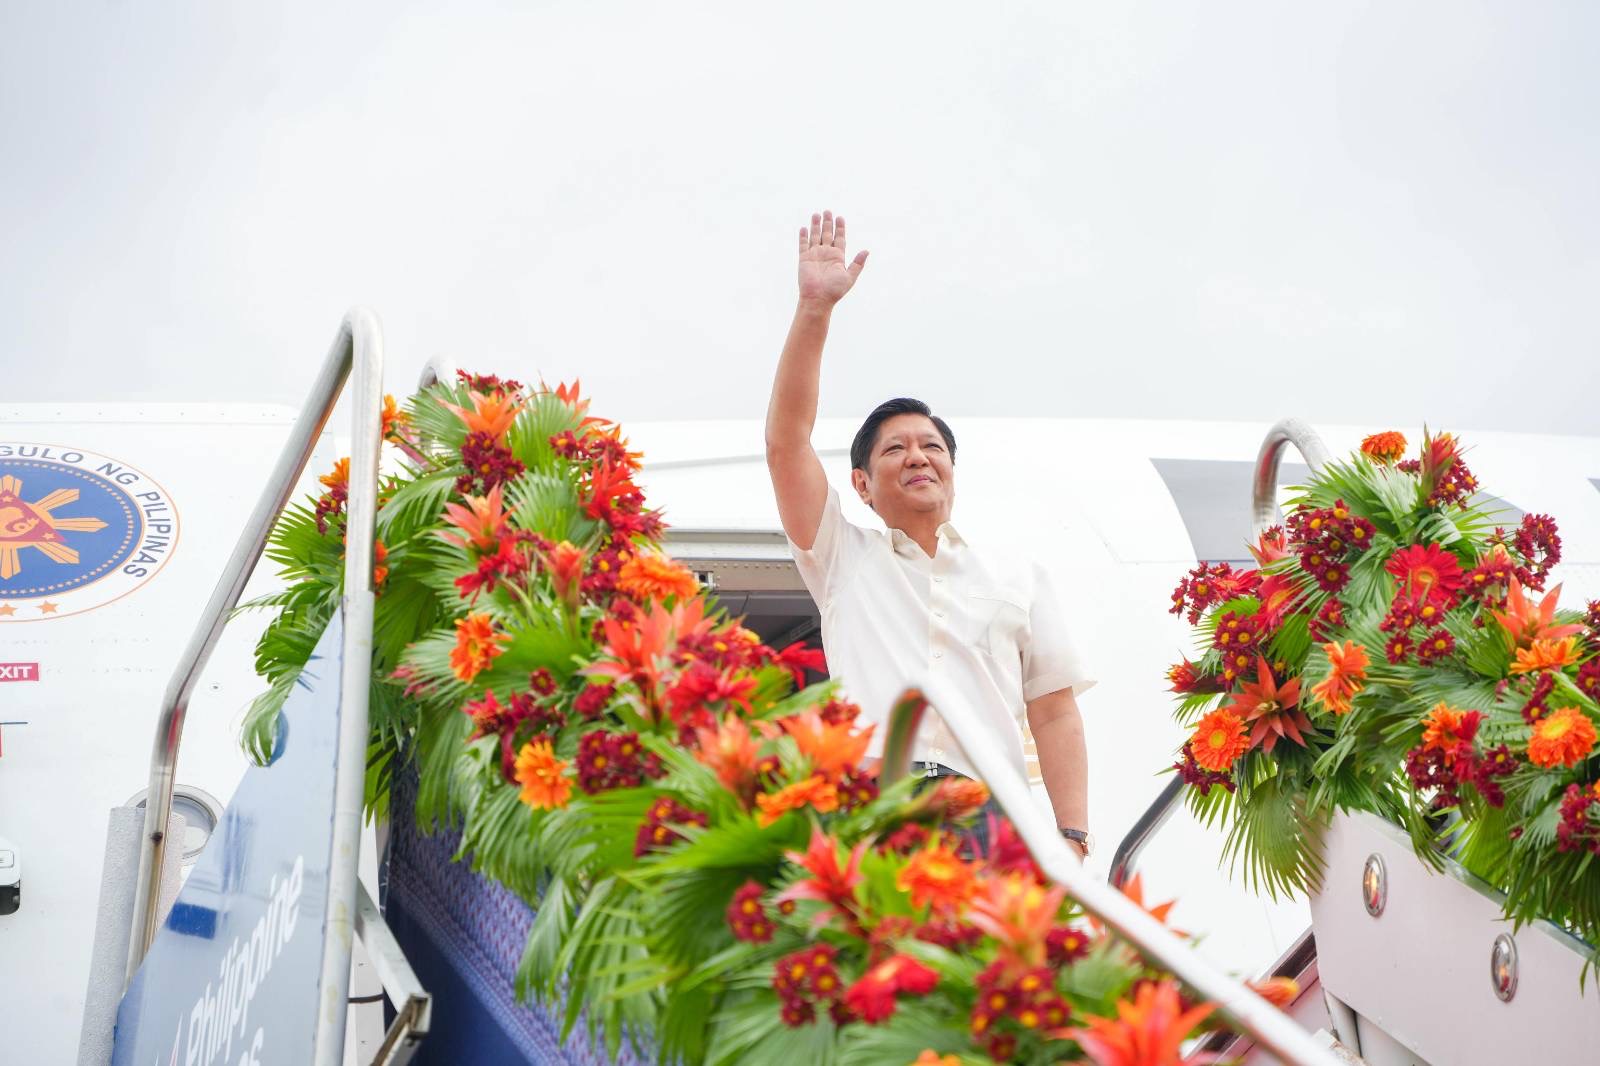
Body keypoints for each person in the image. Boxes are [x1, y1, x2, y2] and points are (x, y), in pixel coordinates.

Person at [763, 210, 1097, 860]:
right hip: (874, 806)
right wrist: (815, 311)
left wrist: (1072, 837)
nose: (918, 456)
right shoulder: (842, 556)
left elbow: (1055, 710)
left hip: (990, 814)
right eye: (895, 449)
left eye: (932, 446)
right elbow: (786, 443)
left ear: (951, 469)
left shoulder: (1018, 576)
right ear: (861, 484)